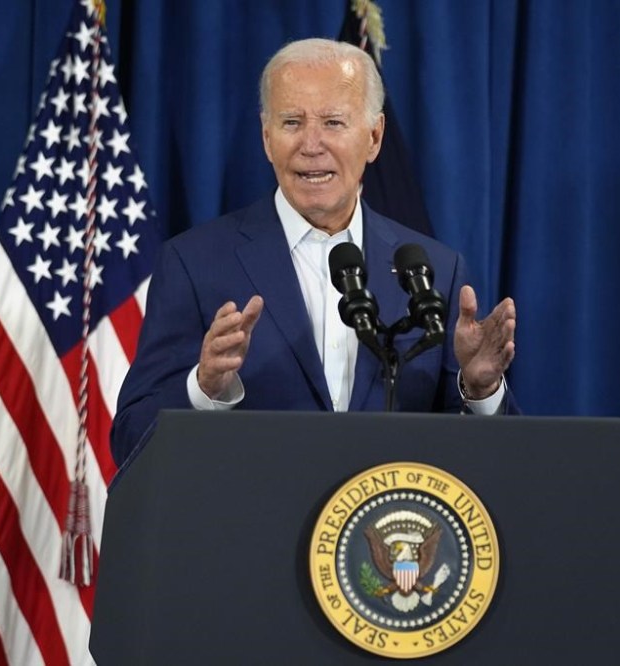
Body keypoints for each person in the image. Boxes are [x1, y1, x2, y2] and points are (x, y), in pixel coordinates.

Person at [110, 38, 517, 467]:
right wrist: (204, 387)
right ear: (267, 139)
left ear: (374, 136)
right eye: (291, 122)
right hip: (254, 528)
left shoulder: (433, 270)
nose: (311, 144)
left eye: (333, 122)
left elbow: (492, 463)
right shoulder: (195, 263)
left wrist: (480, 390)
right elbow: (131, 438)